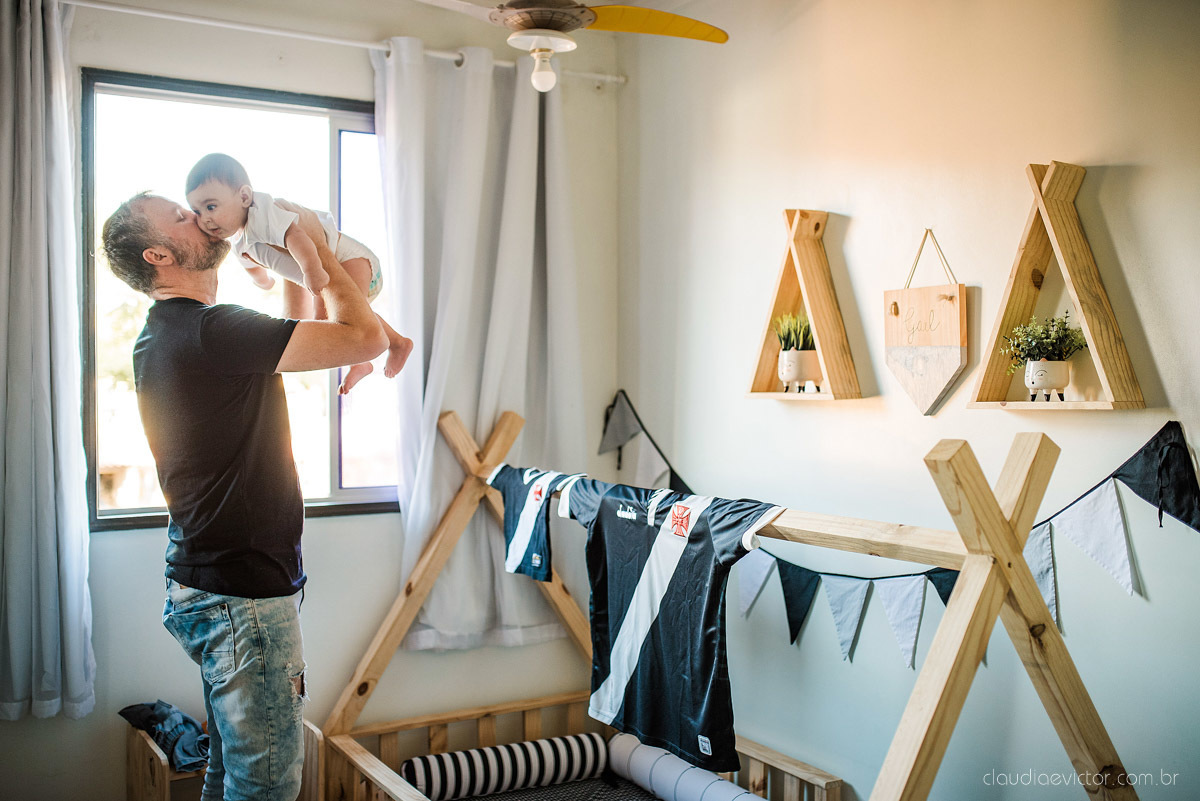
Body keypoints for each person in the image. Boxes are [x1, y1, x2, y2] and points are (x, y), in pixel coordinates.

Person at [101, 192, 388, 801]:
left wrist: (286, 249)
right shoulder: (213, 333)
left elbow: (291, 339)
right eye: (180, 216)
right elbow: (363, 339)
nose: (198, 216)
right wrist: (315, 257)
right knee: (266, 788)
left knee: (228, 772)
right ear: (159, 254)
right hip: (243, 599)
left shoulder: (169, 335)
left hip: (206, 584)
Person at [184, 152, 411, 394]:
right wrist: (264, 282)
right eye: (197, 211)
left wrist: (311, 269)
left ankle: (397, 343)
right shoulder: (239, 243)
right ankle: (359, 361)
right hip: (326, 275)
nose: (205, 219)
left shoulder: (260, 213)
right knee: (333, 322)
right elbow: (254, 269)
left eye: (210, 206)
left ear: (243, 196)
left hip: (350, 258)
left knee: (351, 318)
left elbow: (295, 235)